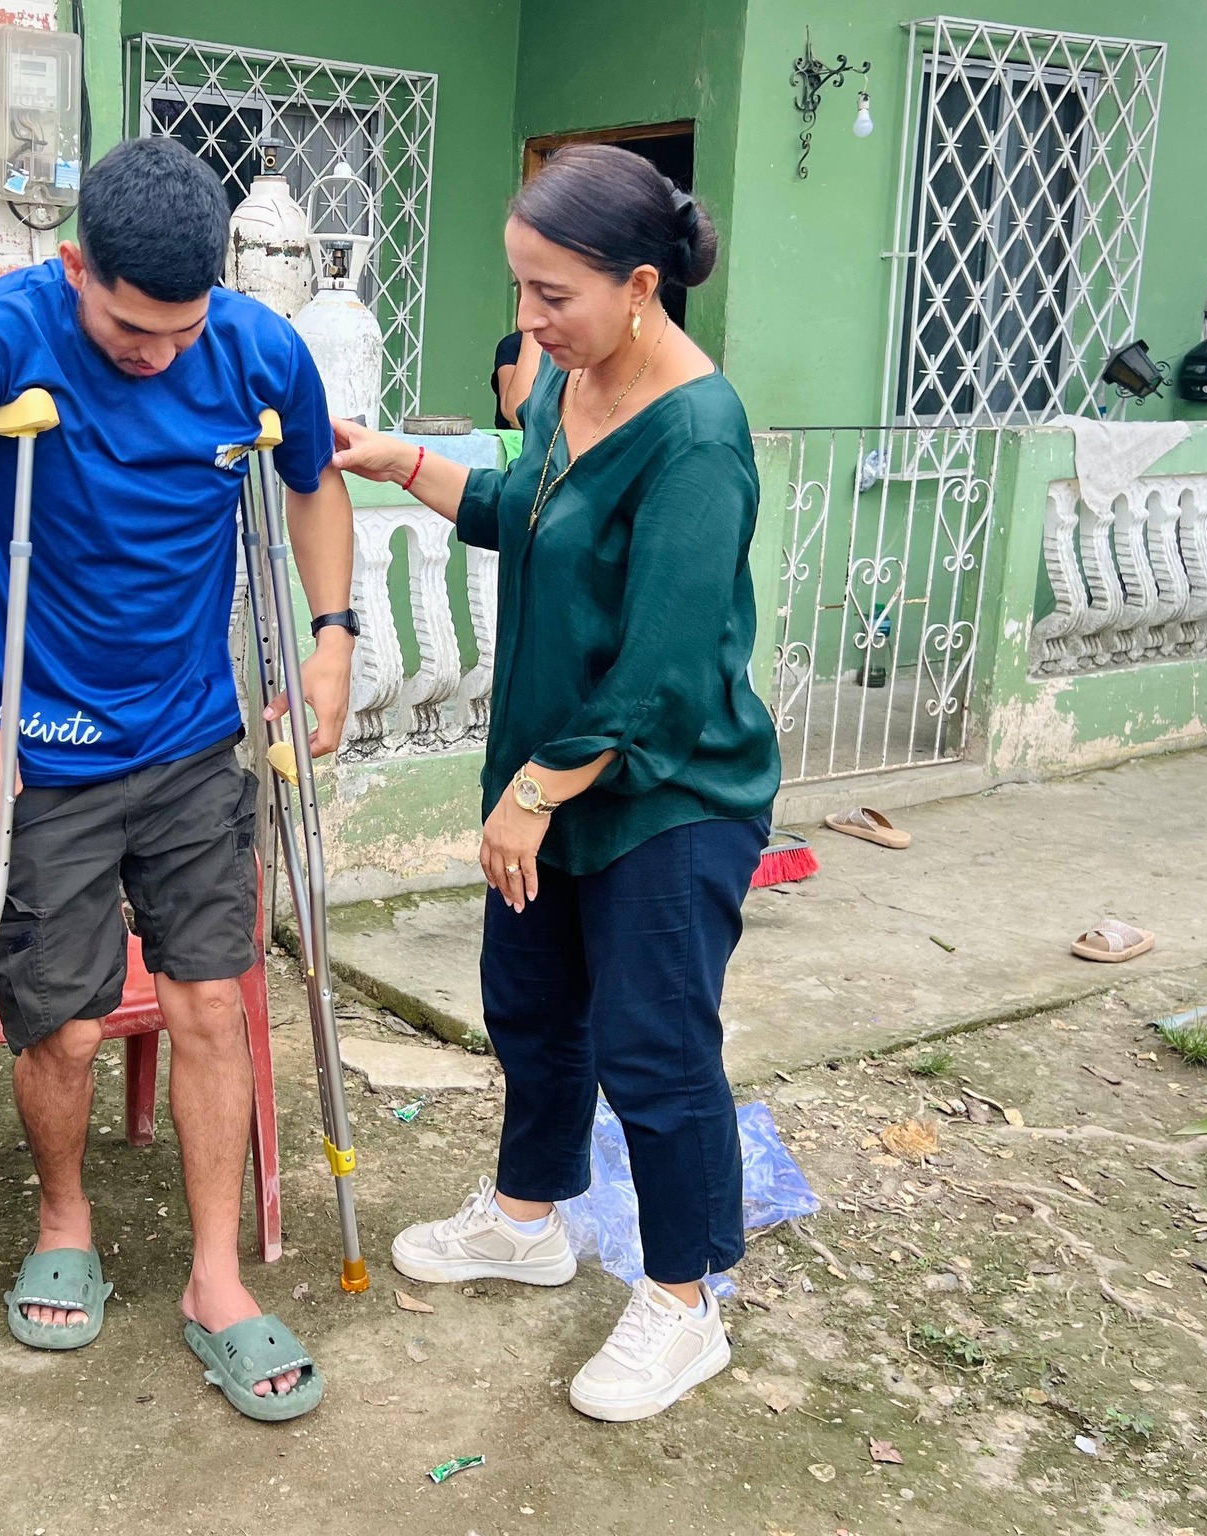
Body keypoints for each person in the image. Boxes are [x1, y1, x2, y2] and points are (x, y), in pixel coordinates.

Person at [0, 137, 357, 1422]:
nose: (157, 355)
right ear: (75, 267)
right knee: (65, 1024)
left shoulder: (254, 350)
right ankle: (64, 1218)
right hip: (40, 755)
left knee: (210, 1005)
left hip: (191, 743)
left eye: (181, 331)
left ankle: (213, 1278)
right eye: (133, 329)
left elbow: (311, 487)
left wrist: (331, 637)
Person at [333, 143, 779, 1423]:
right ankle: (526, 1218)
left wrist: (534, 793)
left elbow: (660, 671)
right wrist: (395, 462)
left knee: (653, 1046)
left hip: (662, 795)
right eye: (519, 287)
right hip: (548, 774)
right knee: (531, 1009)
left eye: (552, 294)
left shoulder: (696, 437)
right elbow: (523, 511)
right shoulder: (566, 388)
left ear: (639, 286)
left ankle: (684, 1301)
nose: (526, 319)